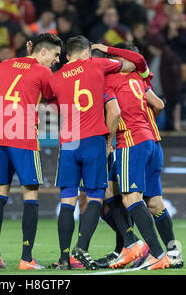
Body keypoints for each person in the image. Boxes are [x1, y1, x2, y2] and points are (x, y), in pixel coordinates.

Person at [0, 33, 62, 270]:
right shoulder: (43, 72)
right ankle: (26, 259)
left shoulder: (4, 65)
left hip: (2, 136)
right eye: (55, 55)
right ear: (42, 51)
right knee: (30, 193)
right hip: (24, 137)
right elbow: (56, 100)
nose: (56, 61)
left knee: (0, 191)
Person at [48, 35, 135, 270]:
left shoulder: (56, 77)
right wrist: (108, 52)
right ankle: (82, 248)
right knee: (96, 195)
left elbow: (49, 99)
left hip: (67, 142)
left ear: (67, 56)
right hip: (93, 140)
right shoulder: (97, 64)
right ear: (87, 52)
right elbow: (131, 65)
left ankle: (65, 258)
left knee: (68, 198)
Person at [95, 42, 171, 270]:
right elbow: (158, 103)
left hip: (129, 141)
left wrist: (109, 140)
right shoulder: (139, 78)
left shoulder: (108, 80)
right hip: (151, 140)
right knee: (140, 199)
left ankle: (155, 252)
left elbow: (115, 112)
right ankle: (139, 248)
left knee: (128, 198)